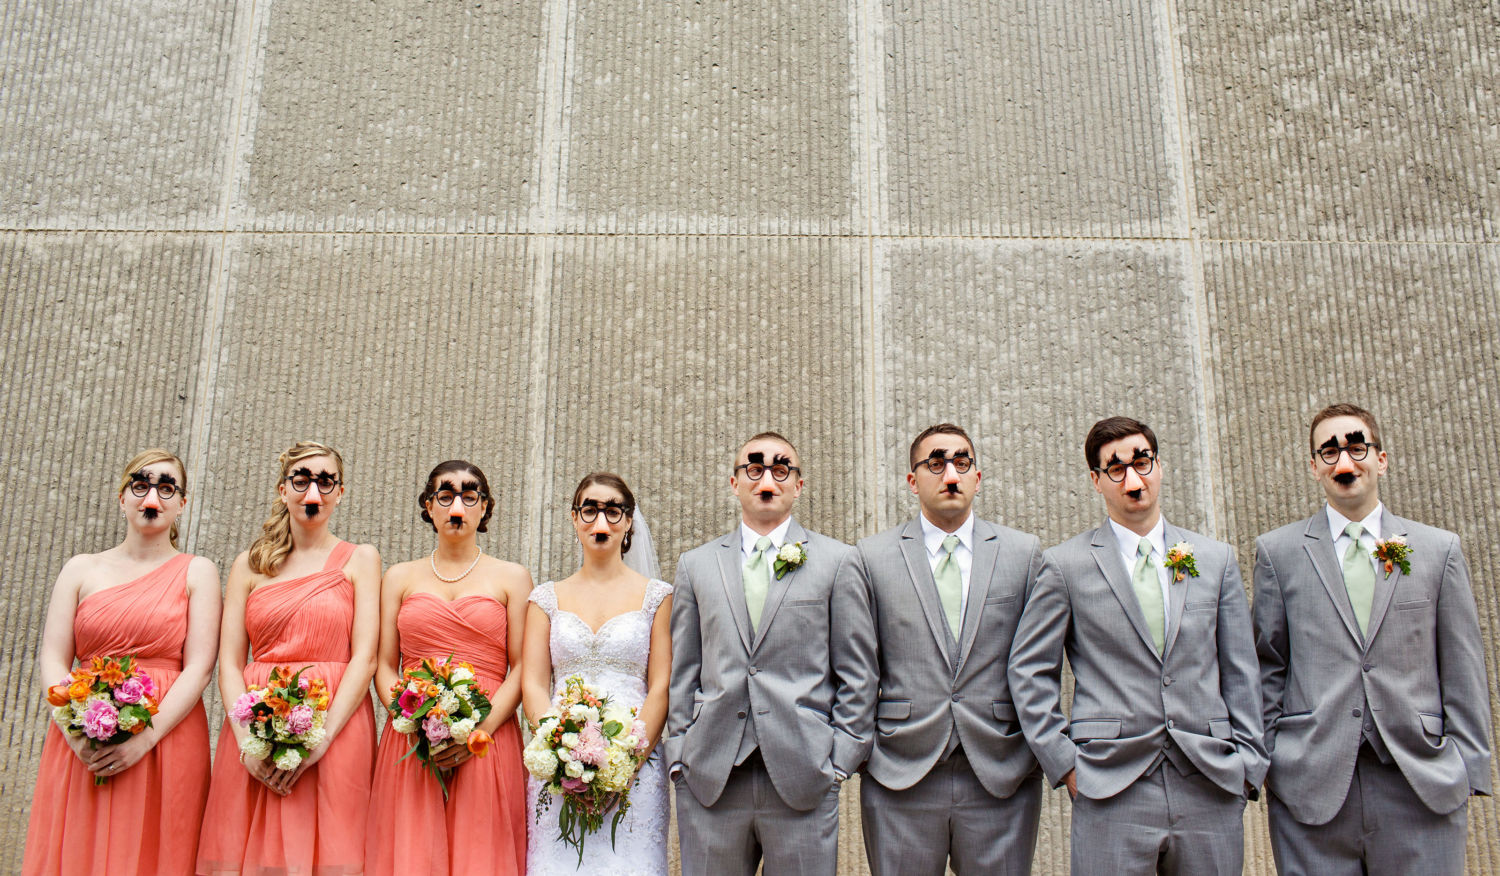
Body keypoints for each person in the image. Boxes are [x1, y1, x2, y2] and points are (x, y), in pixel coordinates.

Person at [1009, 416, 1266, 875]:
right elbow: (1029, 670)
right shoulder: (1065, 566)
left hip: (1208, 779)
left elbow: (1241, 668)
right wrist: (1065, 764)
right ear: (1096, 480)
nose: (1133, 479)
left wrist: (1247, 763)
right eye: (1116, 468)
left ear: (1159, 466)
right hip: (1110, 782)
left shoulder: (1215, 559)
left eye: (1142, 462)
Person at [1253, 403, 1492, 875]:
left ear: (1380, 459)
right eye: (1329, 451)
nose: (1344, 460)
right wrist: (1274, 762)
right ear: (1314, 466)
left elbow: (1462, 666)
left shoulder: (1437, 550)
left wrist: (1466, 769)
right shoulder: (1278, 553)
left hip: (1420, 783)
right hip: (1312, 790)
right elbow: (1267, 665)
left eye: (1356, 446)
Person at [840, 423, 1043, 875]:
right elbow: (859, 668)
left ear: (977, 476)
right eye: (935, 463)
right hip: (900, 771)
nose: (950, 474)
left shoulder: (1023, 554)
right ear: (913, 480)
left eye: (961, 462)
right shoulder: (871, 557)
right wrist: (851, 752)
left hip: (1001, 771)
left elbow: (1038, 666)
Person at [667, 432, 859, 876]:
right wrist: (679, 755)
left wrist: (839, 761)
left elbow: (856, 671)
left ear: (799, 485)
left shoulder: (837, 561)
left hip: (805, 773)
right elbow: (684, 669)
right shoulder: (696, 565)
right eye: (754, 469)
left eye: (780, 469)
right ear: (735, 483)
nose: (767, 480)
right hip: (711, 775)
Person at [23, 449, 221, 876]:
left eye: (166, 488)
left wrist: (144, 739)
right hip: (83, 739)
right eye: (141, 485)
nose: (152, 497)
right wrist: (73, 731)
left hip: (165, 737)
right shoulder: (80, 569)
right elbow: (53, 657)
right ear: (122, 497)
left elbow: (201, 668)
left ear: (182, 503)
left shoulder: (198, 572)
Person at [197, 441, 381, 875]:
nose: (313, 490)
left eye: (325, 480)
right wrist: (247, 742)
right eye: (302, 479)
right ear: (284, 490)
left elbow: (366, 657)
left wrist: (322, 739)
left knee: (333, 848)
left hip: (336, 723)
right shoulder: (249, 565)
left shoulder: (362, 559)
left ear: (340, 492)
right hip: (256, 721)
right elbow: (229, 663)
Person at [366, 460, 530, 875]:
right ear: (429, 505)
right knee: (412, 852)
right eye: (446, 495)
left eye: (470, 496)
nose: (457, 506)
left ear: (484, 507)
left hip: (487, 736)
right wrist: (411, 720)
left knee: (480, 852)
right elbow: (383, 664)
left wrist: (479, 730)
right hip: (412, 735)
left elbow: (522, 666)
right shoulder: (398, 577)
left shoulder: (513, 577)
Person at [521, 472, 672, 874]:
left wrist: (627, 763)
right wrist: (558, 753)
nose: (600, 521)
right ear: (574, 518)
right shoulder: (544, 599)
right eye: (589, 510)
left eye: (613, 510)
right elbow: (533, 684)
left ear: (628, 521)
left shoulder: (658, 597)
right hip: (560, 769)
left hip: (636, 766)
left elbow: (661, 686)